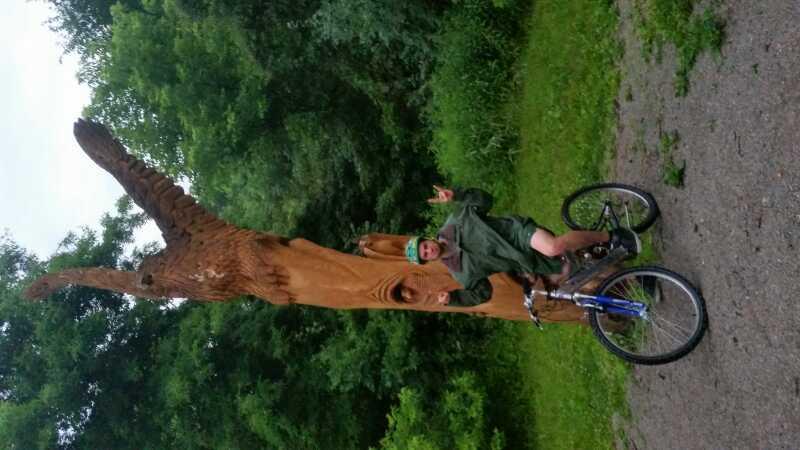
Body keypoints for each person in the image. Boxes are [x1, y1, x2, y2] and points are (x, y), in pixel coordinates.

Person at [405, 185, 640, 307]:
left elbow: (485, 200)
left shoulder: (455, 221)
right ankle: (638, 276)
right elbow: (482, 293)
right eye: (425, 255)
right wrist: (454, 299)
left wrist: (457, 194)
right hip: (525, 260)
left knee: (553, 247)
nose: (428, 250)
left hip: (517, 232)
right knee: (574, 275)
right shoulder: (462, 273)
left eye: (424, 246)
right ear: (428, 260)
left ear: (427, 239)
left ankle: (611, 236)